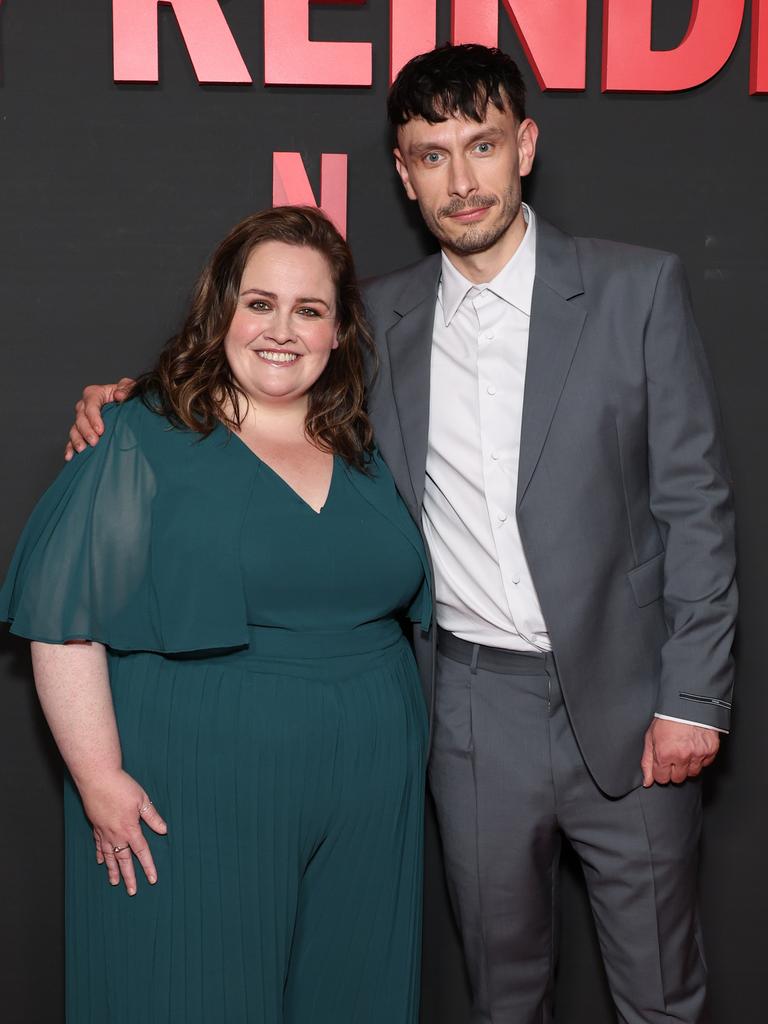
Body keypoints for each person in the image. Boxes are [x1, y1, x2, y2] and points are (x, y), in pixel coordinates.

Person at [65, 44, 737, 1024]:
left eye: (482, 145)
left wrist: (694, 697)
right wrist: (134, 400)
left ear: (526, 147)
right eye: (432, 155)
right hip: (467, 710)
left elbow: (696, 507)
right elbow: (263, 372)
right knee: (503, 993)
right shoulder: (377, 317)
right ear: (402, 172)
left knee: (662, 995)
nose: (462, 180)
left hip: (634, 703)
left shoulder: (637, 293)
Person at [1, 206, 431, 1024]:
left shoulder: (367, 443)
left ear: (338, 332)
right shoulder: (140, 433)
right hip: (195, 783)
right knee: (188, 990)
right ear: (221, 311)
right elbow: (63, 617)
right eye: (259, 303)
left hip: (371, 786)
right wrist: (98, 778)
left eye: (310, 310)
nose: (282, 329)